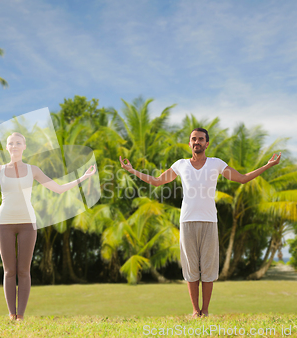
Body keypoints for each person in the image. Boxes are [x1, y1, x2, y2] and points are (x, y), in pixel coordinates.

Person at [119, 127, 281, 318]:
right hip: (187, 221)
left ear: (207, 143)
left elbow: (243, 179)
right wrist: (132, 170)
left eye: (201, 139)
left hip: (209, 221)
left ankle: (205, 310)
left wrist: (268, 165)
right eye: (194, 139)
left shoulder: (216, 164)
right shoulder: (180, 165)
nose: (197, 142)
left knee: (208, 268)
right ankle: (196, 311)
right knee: (191, 268)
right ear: (189, 143)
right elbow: (156, 181)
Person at [0, 132, 96, 322]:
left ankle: (21, 315)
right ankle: (11, 314)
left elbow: (58, 189)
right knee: (9, 271)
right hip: (4, 223)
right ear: (7, 147)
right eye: (11, 143)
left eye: (18, 142)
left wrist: (84, 177)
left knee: (24, 271)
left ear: (24, 146)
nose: (14, 146)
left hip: (28, 223)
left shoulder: (33, 170)